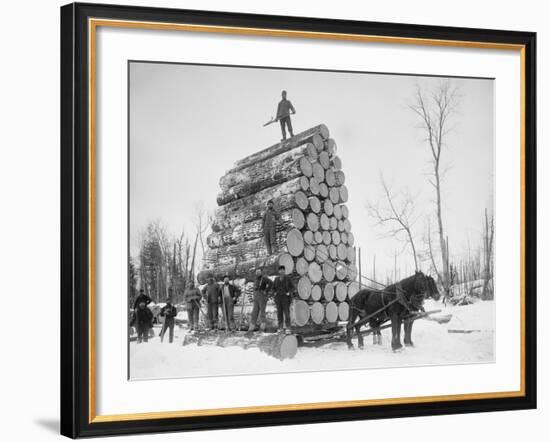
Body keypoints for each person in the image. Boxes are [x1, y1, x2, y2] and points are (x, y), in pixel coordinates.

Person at [248, 268, 273, 332]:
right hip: (256, 296)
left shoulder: (264, 278)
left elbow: (271, 283)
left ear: (261, 272)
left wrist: (266, 291)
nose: (257, 273)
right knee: (254, 312)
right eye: (257, 272)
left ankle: (262, 327)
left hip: (262, 295)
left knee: (262, 311)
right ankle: (251, 327)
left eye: (259, 272)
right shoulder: (256, 279)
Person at [272, 265, 294, 333]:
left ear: (284, 271)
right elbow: (273, 288)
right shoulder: (276, 279)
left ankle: (288, 328)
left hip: (285, 297)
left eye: (283, 270)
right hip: (278, 298)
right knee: (279, 313)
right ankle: (280, 327)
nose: (282, 271)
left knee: (286, 313)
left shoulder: (288, 278)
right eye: (280, 270)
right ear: (279, 271)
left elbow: (292, 287)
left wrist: (289, 292)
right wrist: (274, 293)